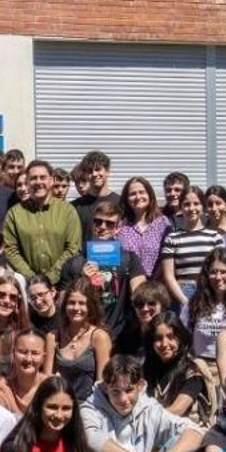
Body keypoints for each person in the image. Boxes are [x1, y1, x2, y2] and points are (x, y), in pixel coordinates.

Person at [80, 356, 205, 452]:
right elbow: (93, 439)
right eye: (115, 392)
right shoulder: (90, 408)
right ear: (105, 387)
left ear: (140, 386)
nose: (123, 399)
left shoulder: (149, 408)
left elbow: (195, 431)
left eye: (129, 390)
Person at [60, 199, 146, 342]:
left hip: (118, 334)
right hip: (82, 334)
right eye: (98, 222)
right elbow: (63, 304)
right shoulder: (74, 263)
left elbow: (141, 293)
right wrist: (82, 280)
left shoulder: (129, 258)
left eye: (109, 223)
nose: (102, 227)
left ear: (118, 227)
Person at [3, 160, 82, 283]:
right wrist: (33, 278)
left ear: (51, 181)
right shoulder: (14, 214)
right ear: (27, 182)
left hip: (62, 284)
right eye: (33, 178)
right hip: (28, 285)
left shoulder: (67, 211)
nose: (38, 182)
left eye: (42, 177)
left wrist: (50, 278)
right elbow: (10, 250)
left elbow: (73, 248)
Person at [46, 277, 111, 402]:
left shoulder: (99, 337)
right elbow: (48, 379)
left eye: (82, 303)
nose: (76, 308)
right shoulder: (53, 337)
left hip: (91, 405)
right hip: (60, 403)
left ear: (90, 306)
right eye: (71, 303)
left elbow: (102, 384)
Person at [157, 187, 220, 310]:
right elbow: (168, 276)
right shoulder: (172, 238)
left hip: (209, 293)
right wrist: (184, 301)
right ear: (180, 207)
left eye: (196, 204)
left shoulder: (215, 237)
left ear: (203, 207)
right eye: (186, 204)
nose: (191, 208)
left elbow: (219, 271)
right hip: (182, 294)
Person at [143, 312, 211, 426]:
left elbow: (177, 410)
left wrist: (144, 420)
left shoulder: (193, 370)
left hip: (186, 430)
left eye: (171, 337)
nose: (164, 344)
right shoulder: (147, 369)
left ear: (181, 338)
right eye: (158, 338)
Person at [186, 248, 226, 364]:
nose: (218, 277)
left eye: (224, 272)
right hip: (201, 365)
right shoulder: (194, 304)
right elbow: (184, 340)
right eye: (213, 272)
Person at [0, 329, 50, 415]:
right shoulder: (4, 388)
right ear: (13, 353)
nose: (28, 359)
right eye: (23, 352)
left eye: (35, 353)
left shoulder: (51, 387)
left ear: (43, 358)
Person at [68, 150, 119, 241]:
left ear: (107, 171)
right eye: (90, 171)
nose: (94, 174)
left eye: (98, 169)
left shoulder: (121, 203)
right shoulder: (76, 207)